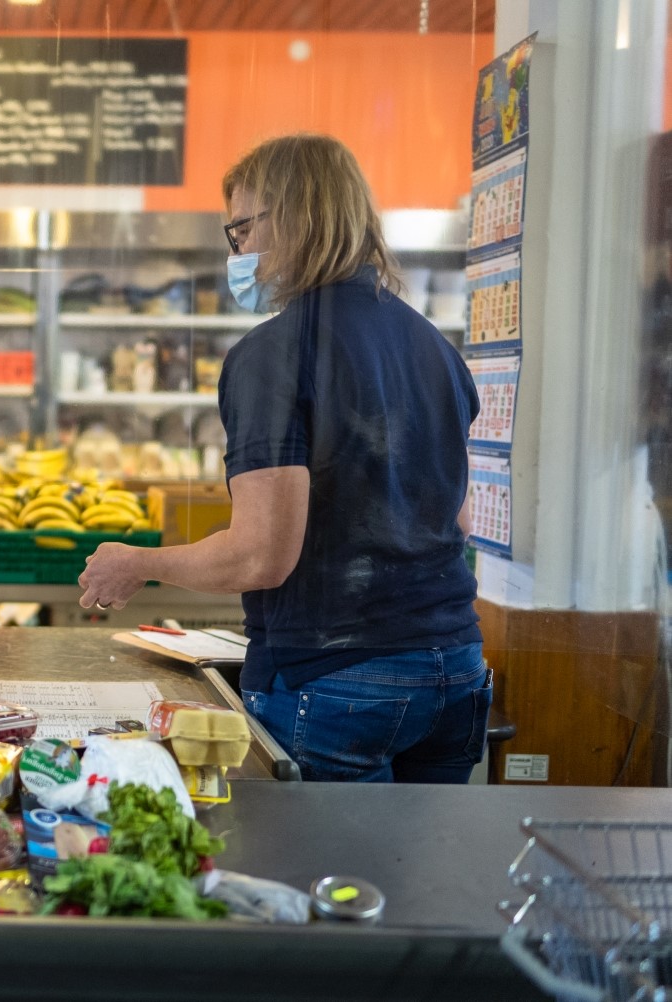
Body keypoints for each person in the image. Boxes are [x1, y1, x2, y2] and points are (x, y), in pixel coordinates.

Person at [79, 134, 489, 784]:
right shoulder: (433, 347)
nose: (236, 251)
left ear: (296, 218)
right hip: (455, 668)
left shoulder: (275, 353)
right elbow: (458, 525)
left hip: (337, 680)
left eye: (241, 228)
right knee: (415, 879)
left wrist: (139, 564)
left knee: (318, 879)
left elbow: (260, 557)